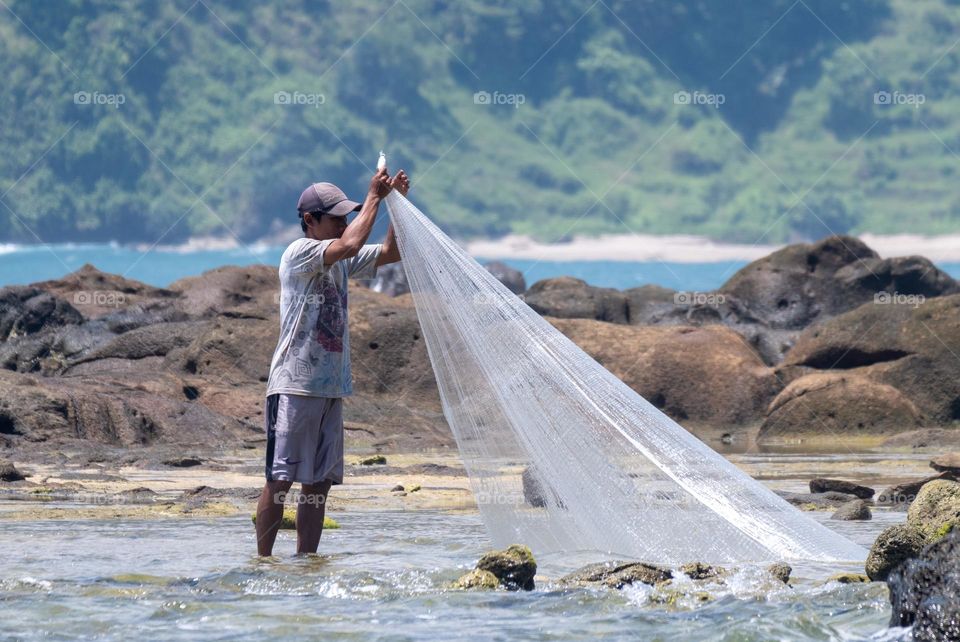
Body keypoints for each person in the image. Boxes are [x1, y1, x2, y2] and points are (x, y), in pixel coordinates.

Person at [255, 165, 409, 556]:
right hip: (295, 384)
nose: (344, 223)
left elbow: (392, 252)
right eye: (337, 217)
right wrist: (374, 197)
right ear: (310, 220)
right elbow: (350, 244)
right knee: (280, 479)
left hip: (330, 387)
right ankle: (264, 563)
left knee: (318, 486)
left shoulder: (341, 258)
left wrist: (397, 205)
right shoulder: (301, 253)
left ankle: (306, 562)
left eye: (347, 216)